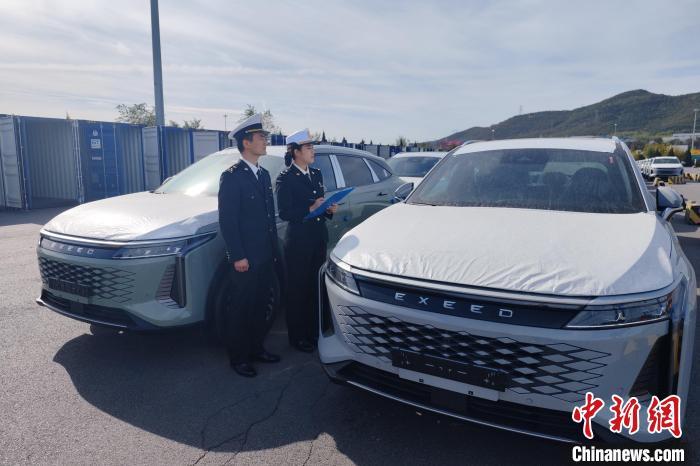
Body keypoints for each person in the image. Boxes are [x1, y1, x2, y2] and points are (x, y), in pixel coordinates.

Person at [218, 114, 281, 377]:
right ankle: (239, 357)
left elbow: (267, 218)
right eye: (261, 137)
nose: (265, 141)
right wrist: (238, 256)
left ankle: (256, 348)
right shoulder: (232, 177)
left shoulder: (263, 175)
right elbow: (228, 221)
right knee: (241, 308)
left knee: (259, 306)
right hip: (246, 258)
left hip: (265, 255)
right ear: (246, 142)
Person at [275, 129, 338, 353]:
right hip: (298, 242)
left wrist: (328, 209)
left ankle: (313, 331)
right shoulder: (285, 178)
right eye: (309, 147)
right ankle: (297, 337)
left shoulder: (316, 173)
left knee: (314, 287)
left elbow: (319, 204)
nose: (313, 151)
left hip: (318, 238)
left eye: (312, 147)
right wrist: (310, 208)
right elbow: (285, 212)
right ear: (296, 152)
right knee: (297, 290)